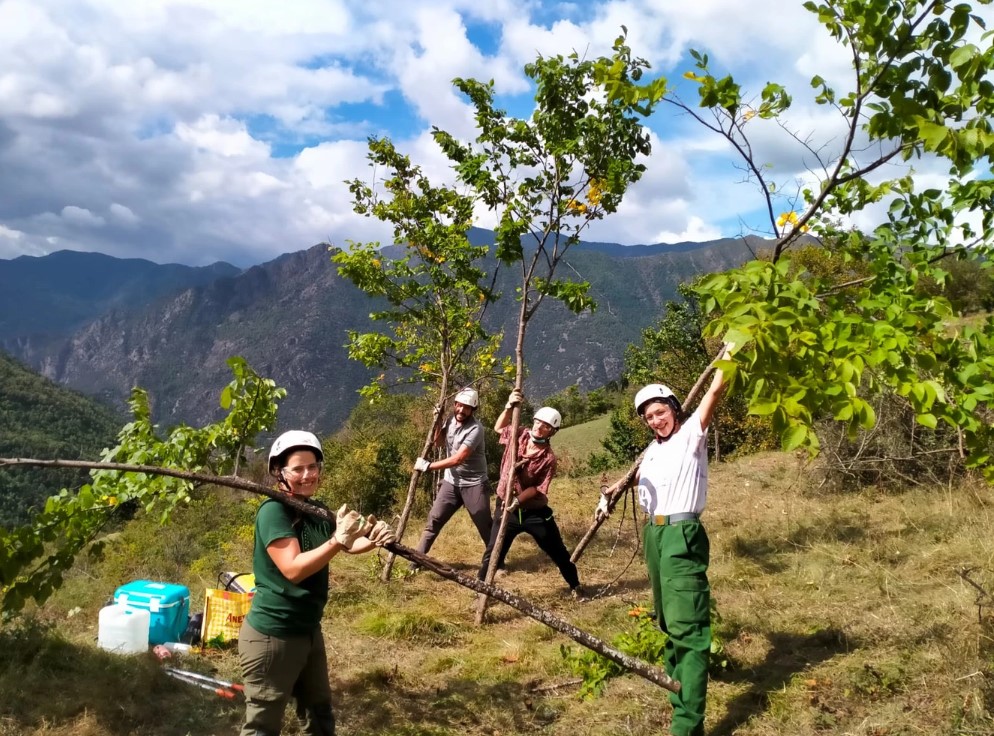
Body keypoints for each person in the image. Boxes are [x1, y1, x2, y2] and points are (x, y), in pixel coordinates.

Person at [597, 348, 731, 736]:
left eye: (660, 411)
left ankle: (687, 725)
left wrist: (732, 351)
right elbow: (637, 480)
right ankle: (680, 700)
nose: (656, 420)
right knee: (668, 622)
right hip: (654, 536)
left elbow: (715, 391)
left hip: (680, 534)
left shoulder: (691, 435)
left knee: (687, 627)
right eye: (649, 417)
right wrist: (609, 494)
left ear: (674, 408)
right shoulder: (653, 451)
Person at [239, 430, 395, 736]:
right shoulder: (274, 510)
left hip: (308, 630)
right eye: (297, 469)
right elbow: (293, 569)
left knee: (319, 713)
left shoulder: (315, 509)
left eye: (312, 466)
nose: (307, 475)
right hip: (274, 634)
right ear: (279, 472)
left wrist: (374, 539)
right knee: (262, 725)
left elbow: (348, 544)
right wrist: (338, 540)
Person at [477, 389, 582, 597]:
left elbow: (538, 489)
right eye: (538, 422)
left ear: (552, 432)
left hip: (533, 513)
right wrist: (509, 406)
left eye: (546, 426)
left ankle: (576, 586)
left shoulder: (548, 458)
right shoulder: (520, 434)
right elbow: (499, 427)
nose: (539, 428)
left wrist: (517, 501)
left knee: (558, 551)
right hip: (505, 507)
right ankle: (480, 590)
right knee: (493, 552)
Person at [411, 387, 491, 560]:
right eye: (459, 405)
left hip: (474, 483)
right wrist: (438, 421)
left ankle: (496, 563)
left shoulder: (476, 429)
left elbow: (458, 459)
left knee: (485, 525)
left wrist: (428, 466)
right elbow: (439, 443)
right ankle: (416, 560)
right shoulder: (450, 421)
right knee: (434, 520)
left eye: (466, 407)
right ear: (454, 405)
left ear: (473, 409)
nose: (461, 410)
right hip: (451, 481)